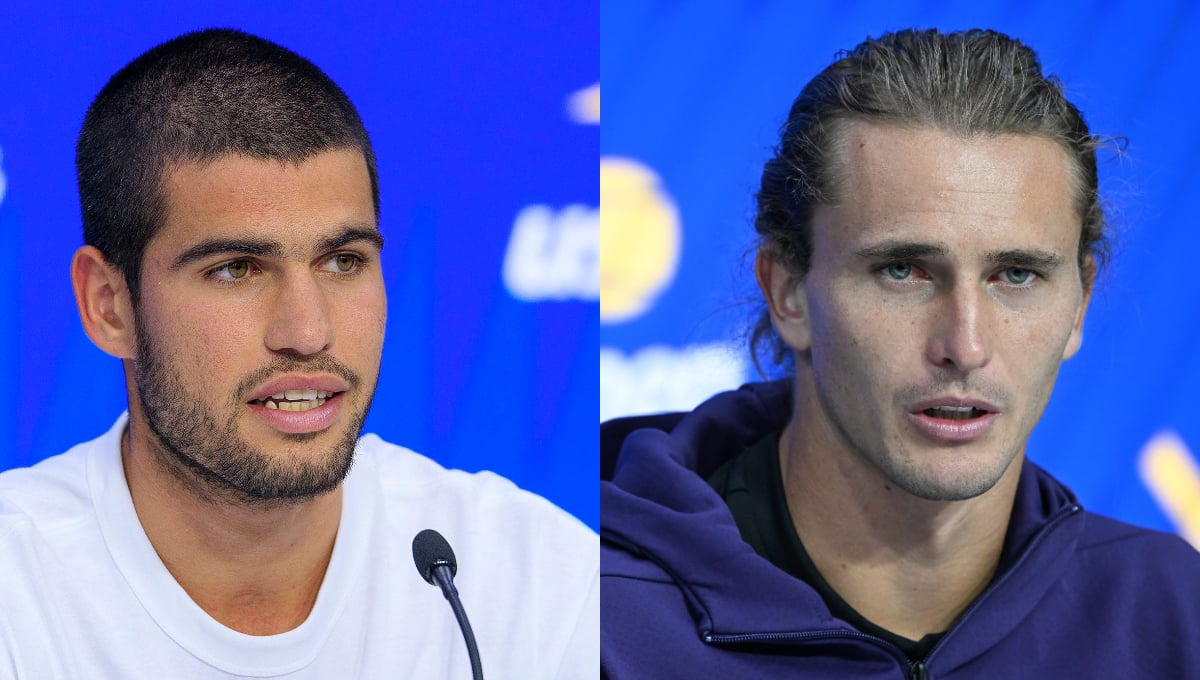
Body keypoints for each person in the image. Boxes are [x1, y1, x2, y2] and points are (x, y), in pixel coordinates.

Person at [601, 28, 1200, 678]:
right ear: (788, 293)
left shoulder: (1171, 614)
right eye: (903, 271)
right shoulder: (591, 610)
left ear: (1079, 305)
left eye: (1017, 275)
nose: (966, 346)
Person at [0, 28, 597, 679]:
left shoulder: (538, 578)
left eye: (343, 262)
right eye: (237, 269)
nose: (309, 332)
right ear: (109, 305)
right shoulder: (19, 583)